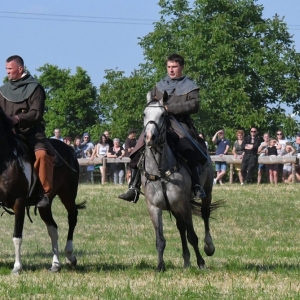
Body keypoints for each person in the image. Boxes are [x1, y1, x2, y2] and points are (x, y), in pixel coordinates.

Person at [119, 53, 206, 203]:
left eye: (174, 67)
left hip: (179, 124)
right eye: (169, 67)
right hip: (158, 123)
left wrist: (169, 108)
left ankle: (197, 185)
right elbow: (151, 103)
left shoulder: (190, 86)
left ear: (182, 67)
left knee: (188, 149)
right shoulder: (159, 85)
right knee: (138, 149)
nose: (171, 70)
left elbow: (194, 105)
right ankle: (133, 186)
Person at [0, 55, 54, 208]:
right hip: (10, 133)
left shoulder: (35, 88)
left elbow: (36, 113)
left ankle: (43, 193)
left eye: (10, 69)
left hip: (31, 132)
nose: (7, 72)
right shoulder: (3, 90)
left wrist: (18, 118)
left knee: (42, 155)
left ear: (20, 69)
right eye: (6, 69)